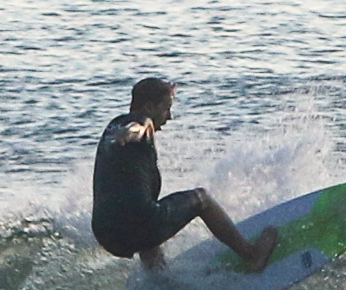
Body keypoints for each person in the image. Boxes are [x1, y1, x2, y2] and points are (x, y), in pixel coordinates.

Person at [91, 78, 278, 272]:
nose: (169, 116)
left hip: (106, 234)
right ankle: (251, 255)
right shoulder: (140, 123)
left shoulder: (112, 127)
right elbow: (138, 127)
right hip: (137, 226)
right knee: (202, 199)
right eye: (166, 108)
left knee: (146, 213)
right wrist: (130, 133)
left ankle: (159, 284)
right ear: (148, 106)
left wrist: (124, 134)